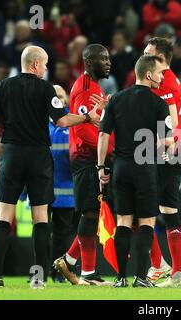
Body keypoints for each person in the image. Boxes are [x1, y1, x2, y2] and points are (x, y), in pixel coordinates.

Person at [0, 45, 101, 288]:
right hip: (38, 157)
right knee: (40, 219)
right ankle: (38, 279)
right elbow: (63, 120)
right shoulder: (46, 89)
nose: (46, 68)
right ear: (35, 64)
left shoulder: (3, 86)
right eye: (44, 64)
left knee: (4, 216)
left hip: (12, 155)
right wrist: (89, 117)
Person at [97, 55, 170, 288]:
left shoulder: (116, 99)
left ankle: (120, 278)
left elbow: (103, 134)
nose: (161, 77)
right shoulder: (159, 104)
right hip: (145, 168)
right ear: (148, 75)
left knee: (123, 222)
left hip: (121, 168)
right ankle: (141, 277)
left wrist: (100, 166)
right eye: (159, 73)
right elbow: (166, 139)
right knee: (147, 222)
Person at [53, 44, 114, 286]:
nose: (109, 62)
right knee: (91, 212)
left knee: (94, 212)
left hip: (87, 159)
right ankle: (87, 272)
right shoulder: (87, 88)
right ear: (89, 62)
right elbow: (82, 129)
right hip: (87, 158)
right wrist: (112, 149)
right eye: (104, 59)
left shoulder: (92, 87)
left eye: (109, 58)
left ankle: (70, 262)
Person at [143, 37, 181, 287]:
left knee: (142, 211)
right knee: (169, 212)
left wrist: (166, 147)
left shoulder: (164, 82)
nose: (143, 55)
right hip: (170, 151)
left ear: (160, 57)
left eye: (148, 52)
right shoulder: (167, 79)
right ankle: (176, 274)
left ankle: (159, 266)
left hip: (164, 152)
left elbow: (172, 122)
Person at [48, 85, 76, 283]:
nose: (58, 99)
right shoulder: (38, 123)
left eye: (61, 96)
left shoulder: (72, 123)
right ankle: (38, 273)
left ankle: (60, 274)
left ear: (66, 101)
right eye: (54, 96)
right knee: (40, 232)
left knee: (62, 234)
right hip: (41, 189)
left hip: (66, 192)